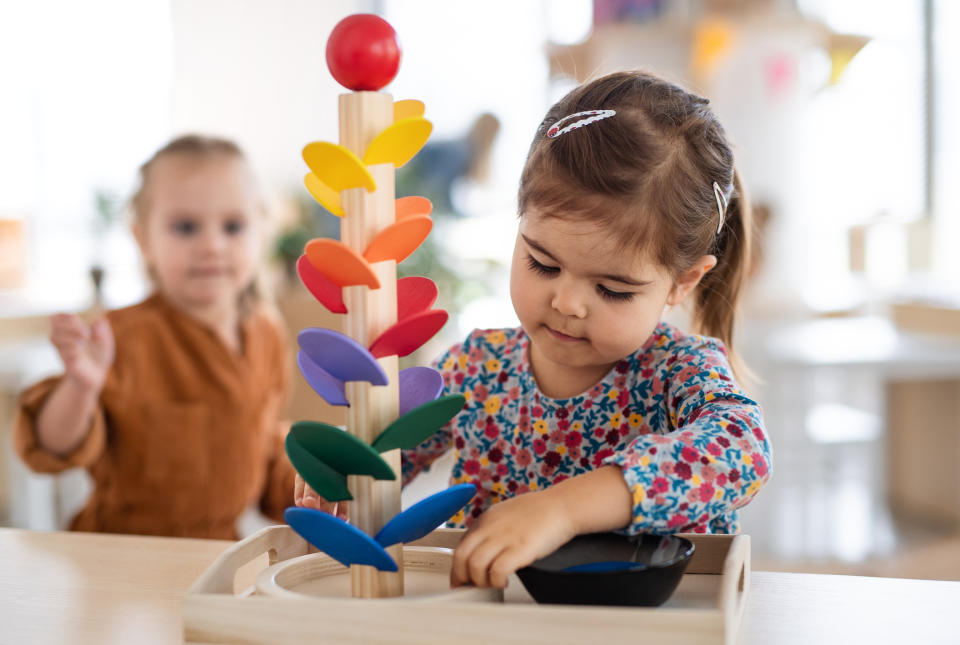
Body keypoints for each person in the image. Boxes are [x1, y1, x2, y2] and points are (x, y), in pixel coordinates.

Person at [401, 71, 773, 588]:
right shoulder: (474, 367)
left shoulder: (678, 372)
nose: (567, 303)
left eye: (614, 290)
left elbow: (742, 451)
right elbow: (390, 453)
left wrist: (564, 510)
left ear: (682, 283)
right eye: (542, 263)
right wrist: (346, 479)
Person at [13, 135, 294, 539]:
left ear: (261, 234)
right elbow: (51, 447)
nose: (212, 245)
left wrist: (314, 489)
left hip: (216, 551)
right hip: (121, 552)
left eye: (233, 226)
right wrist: (80, 386)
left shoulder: (267, 332)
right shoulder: (123, 338)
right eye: (185, 227)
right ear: (143, 238)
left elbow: (265, 442)